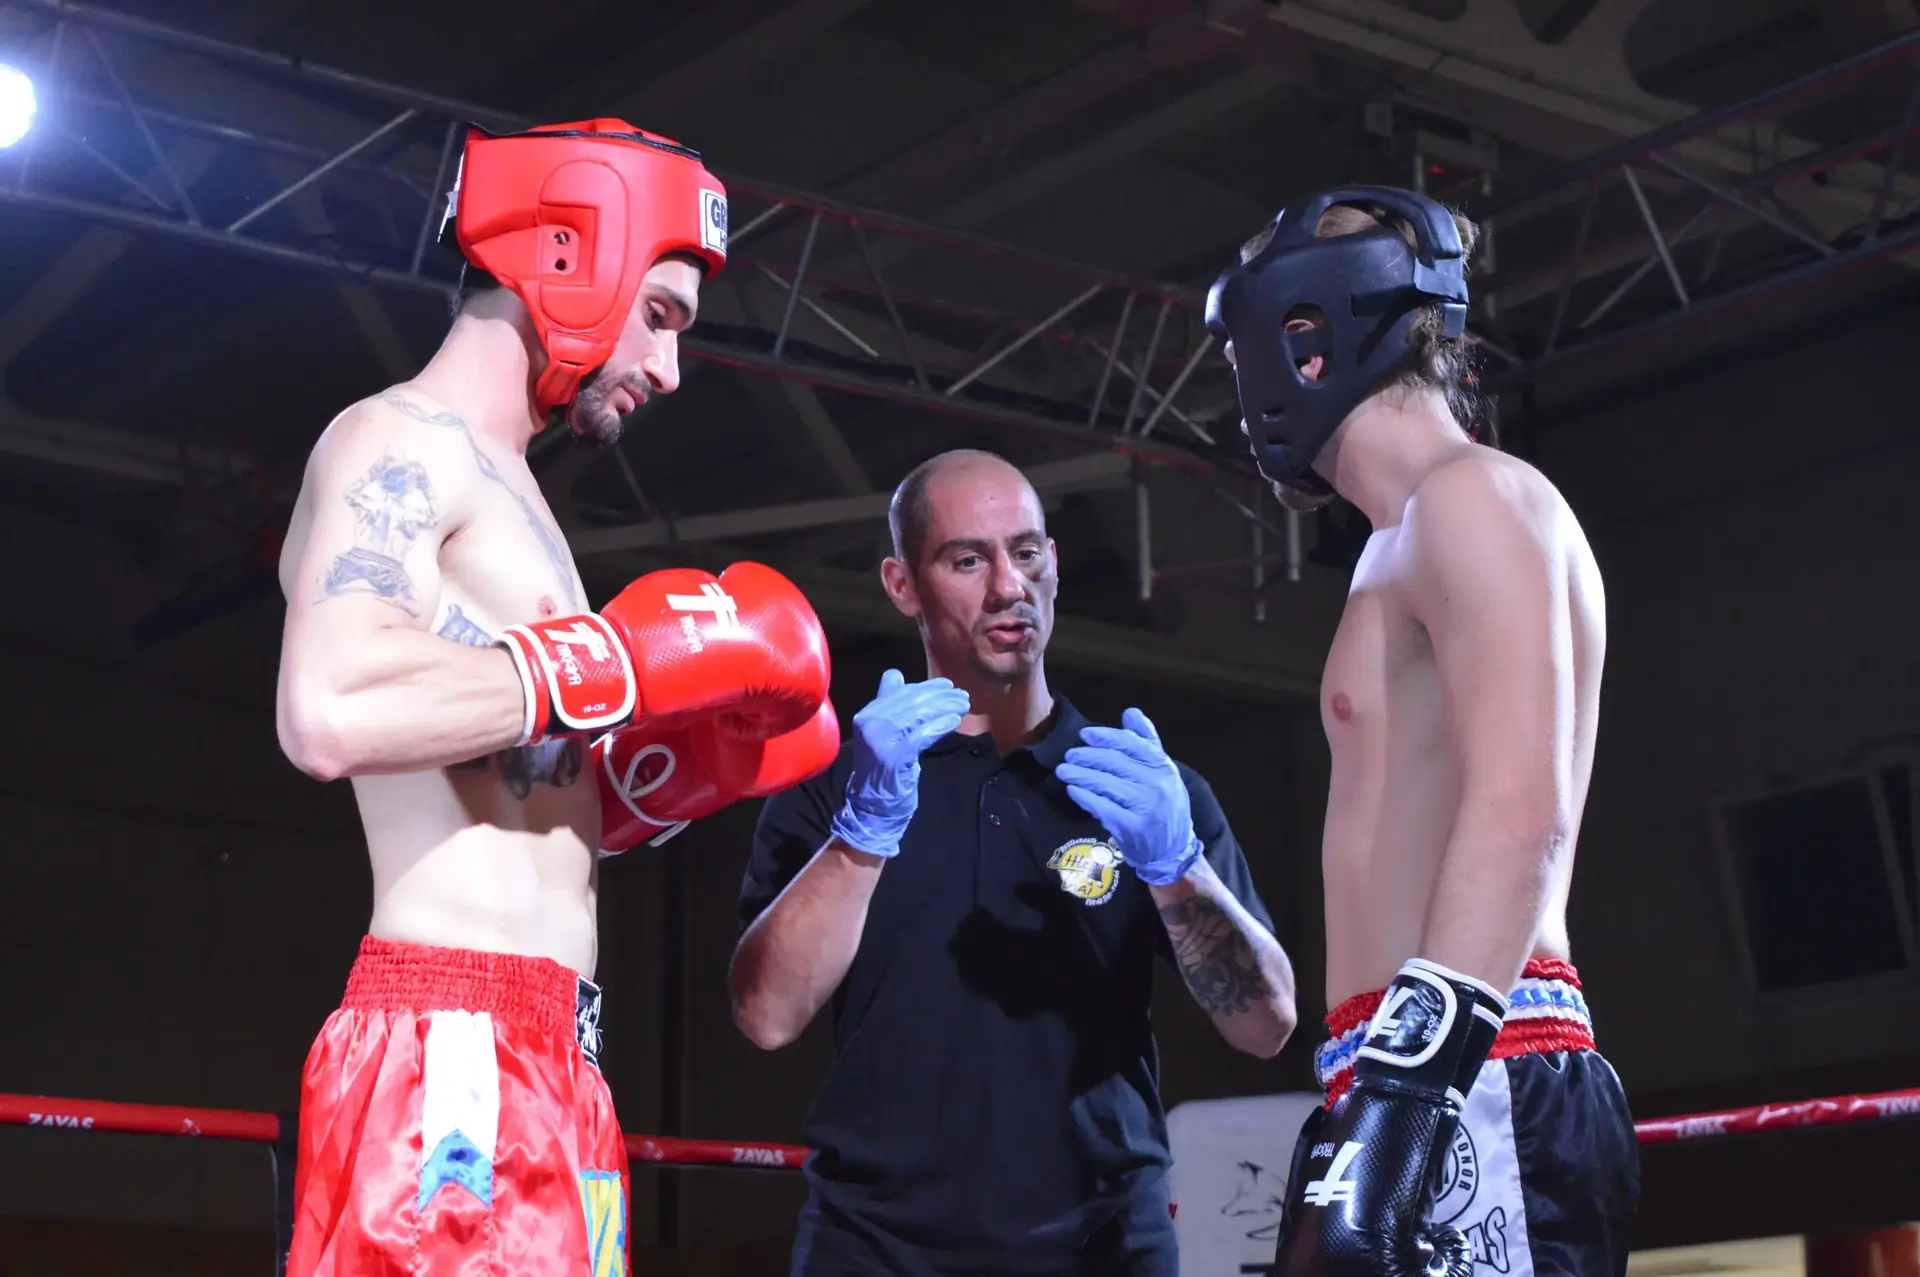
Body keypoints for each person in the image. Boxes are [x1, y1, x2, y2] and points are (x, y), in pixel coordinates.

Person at [273, 119, 840, 1277]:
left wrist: (649, 778)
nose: (671, 368)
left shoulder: (518, 496)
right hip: (453, 1046)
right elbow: (327, 703)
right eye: (665, 313)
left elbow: (500, 772)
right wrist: (610, 667)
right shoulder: (396, 440)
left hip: (554, 1058)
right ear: (575, 253)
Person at [1205, 185, 1638, 1277]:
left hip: (1473, 1067)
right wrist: (1372, 1086)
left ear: (1305, 340)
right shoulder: (1393, 545)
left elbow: (1519, 807)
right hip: (1409, 1064)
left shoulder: (1478, 498)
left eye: (1239, 353)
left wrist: (1407, 1092)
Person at [730, 449, 1299, 1276]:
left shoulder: (1143, 787)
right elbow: (766, 1016)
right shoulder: (838, 787)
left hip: (1103, 1244)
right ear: (901, 585)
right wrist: (861, 834)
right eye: (968, 559)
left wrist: (1177, 864)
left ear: (1054, 565)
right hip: (874, 1247)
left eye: (1027, 552)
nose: (1008, 586)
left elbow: (1266, 1025)